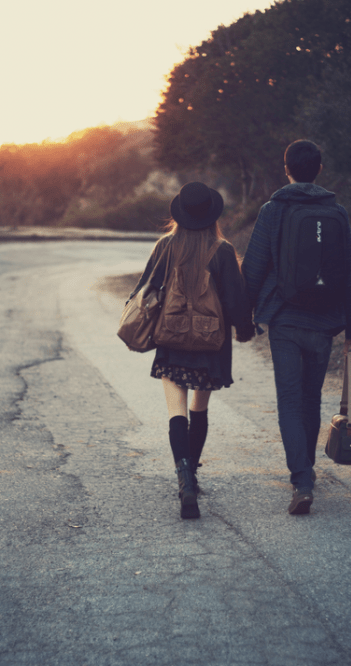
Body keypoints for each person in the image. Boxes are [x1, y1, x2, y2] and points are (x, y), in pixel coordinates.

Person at [242, 140, 351, 515]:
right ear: (320, 170)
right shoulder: (337, 213)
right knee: (311, 399)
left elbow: (253, 268)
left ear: (287, 169)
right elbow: (350, 272)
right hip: (324, 322)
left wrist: (243, 317)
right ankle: (305, 473)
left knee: (290, 401)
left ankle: (302, 479)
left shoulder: (273, 210)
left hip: (285, 319)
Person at [128, 181, 255, 519]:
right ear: (212, 214)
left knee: (176, 412)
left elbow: (144, 289)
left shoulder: (165, 246)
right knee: (199, 409)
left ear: (180, 213)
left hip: (171, 338)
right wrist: (244, 329)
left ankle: (184, 479)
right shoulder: (223, 250)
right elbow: (235, 300)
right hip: (211, 344)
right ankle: (193, 476)